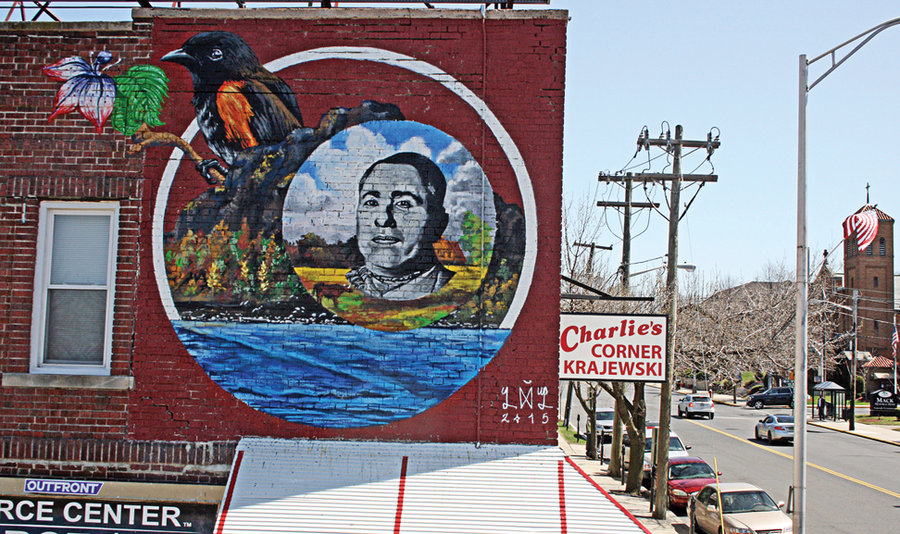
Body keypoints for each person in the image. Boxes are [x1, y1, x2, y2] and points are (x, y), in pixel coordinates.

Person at [346, 152, 454, 300]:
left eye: (403, 204)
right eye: (371, 203)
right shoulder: (341, 287)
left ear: (438, 223)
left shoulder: (454, 291)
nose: (383, 219)